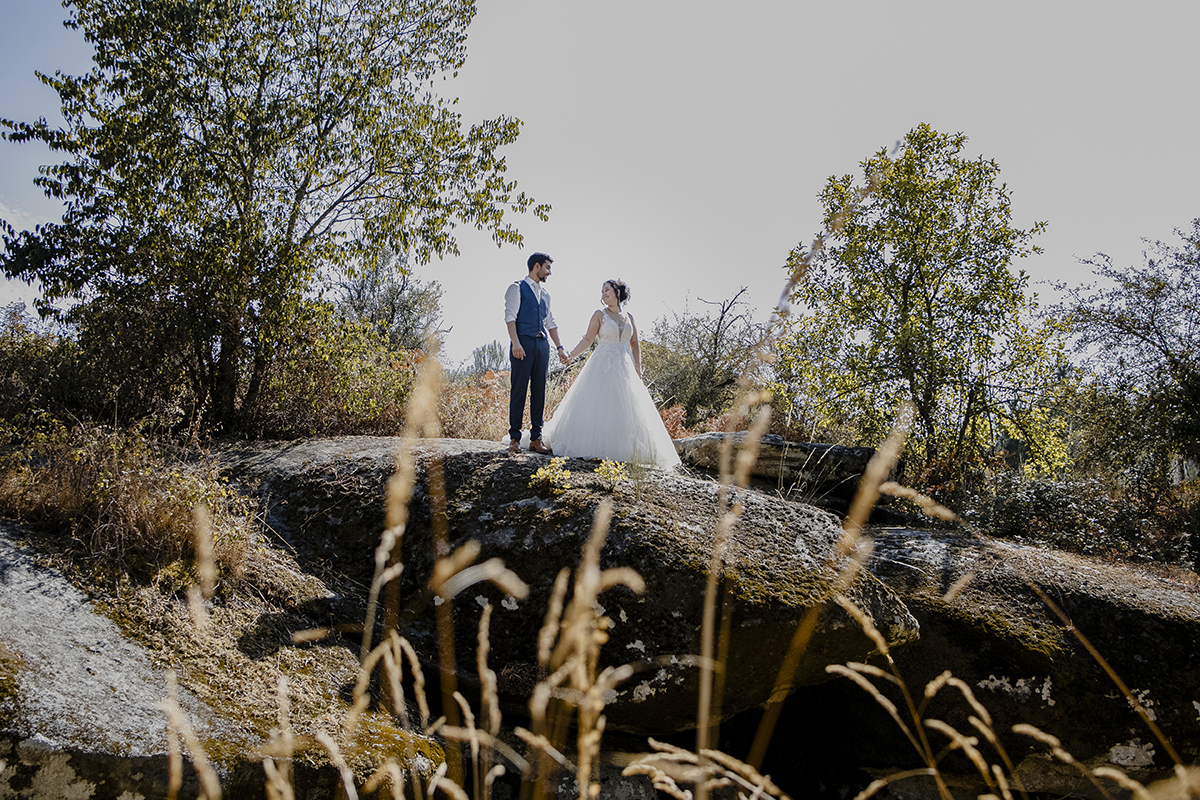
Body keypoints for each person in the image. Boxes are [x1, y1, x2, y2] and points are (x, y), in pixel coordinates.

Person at [542, 279, 681, 469]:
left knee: (626, 406)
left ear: (617, 291)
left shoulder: (629, 316)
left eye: (606, 290)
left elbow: (634, 344)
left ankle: (626, 450)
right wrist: (570, 356)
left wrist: (638, 367)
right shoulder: (599, 314)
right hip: (602, 364)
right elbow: (588, 339)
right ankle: (595, 447)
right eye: (602, 291)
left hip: (625, 366)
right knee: (598, 404)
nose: (603, 294)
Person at [505, 252, 568, 455]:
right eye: (547, 268)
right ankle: (515, 439)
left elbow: (551, 322)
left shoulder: (546, 295)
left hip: (542, 345)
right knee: (519, 391)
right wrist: (516, 343)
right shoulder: (516, 288)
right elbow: (510, 318)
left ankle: (535, 438)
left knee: (539, 392)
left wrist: (559, 347)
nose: (549, 272)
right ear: (537, 266)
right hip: (522, 343)